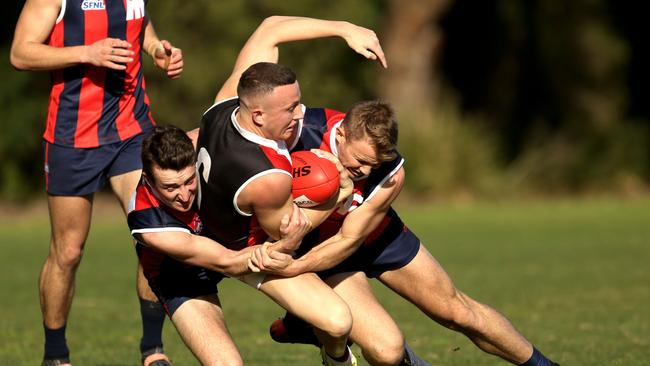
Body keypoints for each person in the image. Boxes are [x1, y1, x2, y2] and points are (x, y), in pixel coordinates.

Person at [232, 17, 561, 366]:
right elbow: (265, 46)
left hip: (369, 236)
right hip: (320, 249)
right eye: (359, 161)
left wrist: (291, 270)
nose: (365, 171)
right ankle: (313, 324)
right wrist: (345, 29)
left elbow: (349, 240)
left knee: (455, 311)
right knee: (386, 351)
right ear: (340, 134)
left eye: (374, 165)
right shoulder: (297, 130)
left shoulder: (390, 172)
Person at [191, 15, 394, 366]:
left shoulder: (226, 102)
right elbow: (288, 234)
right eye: (289, 109)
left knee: (338, 321)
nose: (300, 113)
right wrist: (335, 192)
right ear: (258, 115)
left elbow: (271, 28)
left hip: (207, 217)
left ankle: (331, 356)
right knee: (336, 320)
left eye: (298, 102)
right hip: (243, 249)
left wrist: (344, 29)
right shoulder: (267, 174)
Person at [10, 0, 183, 365]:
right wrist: (88, 52)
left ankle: (153, 349)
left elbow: (142, 25)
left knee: (156, 232)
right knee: (68, 251)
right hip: (72, 137)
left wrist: (156, 49)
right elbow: (21, 53)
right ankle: (55, 354)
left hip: (132, 131)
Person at [128, 124, 311, 365]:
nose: (184, 195)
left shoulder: (205, 141)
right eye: (170, 187)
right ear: (148, 179)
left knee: (334, 320)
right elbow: (229, 263)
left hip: (231, 240)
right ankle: (151, 349)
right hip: (182, 277)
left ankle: (303, 327)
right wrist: (287, 242)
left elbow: (248, 103)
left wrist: (320, 156)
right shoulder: (149, 223)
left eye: (189, 181)